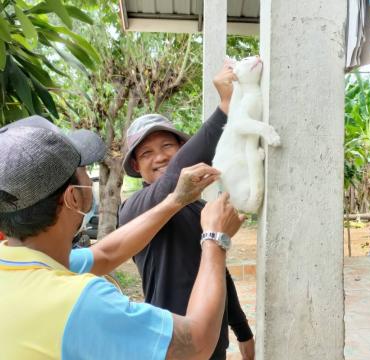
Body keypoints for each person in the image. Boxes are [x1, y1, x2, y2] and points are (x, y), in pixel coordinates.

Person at [0, 116, 245, 359]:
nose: (160, 157)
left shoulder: (17, 262)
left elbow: (105, 253)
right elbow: (196, 343)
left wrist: (176, 200)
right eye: (83, 169)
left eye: (168, 146)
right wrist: (215, 238)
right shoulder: (81, 302)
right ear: (73, 196)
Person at [118, 63, 255, 360]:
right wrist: (225, 109)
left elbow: (217, 270)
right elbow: (171, 182)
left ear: (180, 149)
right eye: (146, 153)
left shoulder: (200, 210)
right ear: (136, 168)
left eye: (168, 146)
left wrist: (242, 329)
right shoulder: (133, 210)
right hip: (170, 343)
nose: (160, 157)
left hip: (213, 342)